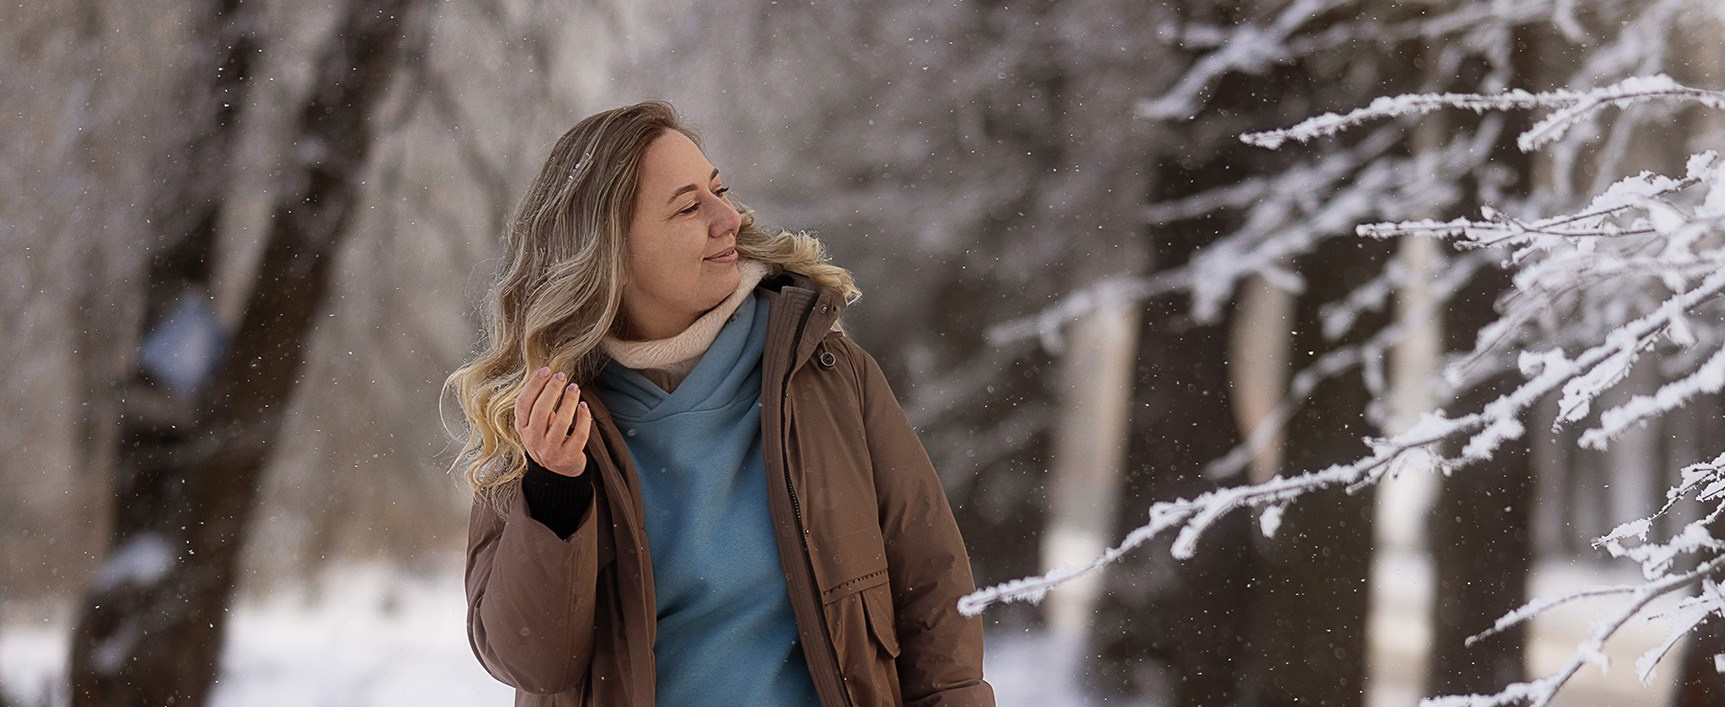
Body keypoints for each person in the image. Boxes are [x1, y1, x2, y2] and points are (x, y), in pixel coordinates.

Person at [446, 100, 994, 706]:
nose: (728, 217)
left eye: (719, 190)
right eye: (688, 207)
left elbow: (934, 599)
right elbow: (530, 661)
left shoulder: (827, 375)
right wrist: (554, 488)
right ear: (609, 251)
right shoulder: (542, 418)